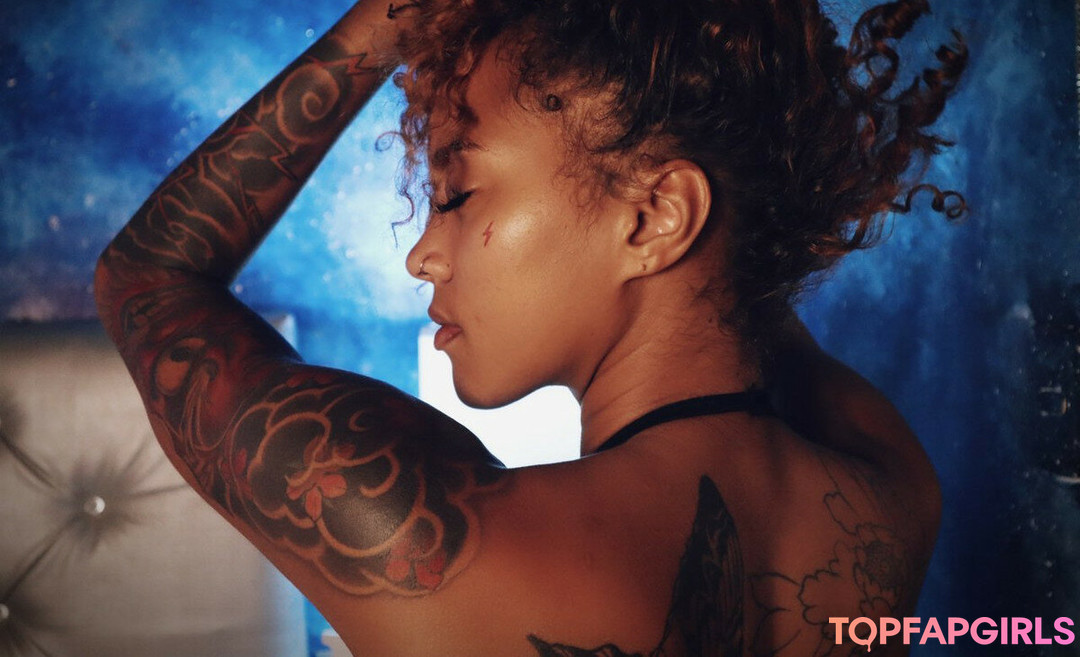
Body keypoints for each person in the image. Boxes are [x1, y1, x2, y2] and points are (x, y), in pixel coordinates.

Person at [95, 0, 966, 654]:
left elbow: (147, 278)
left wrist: (383, 22)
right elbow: (744, 294)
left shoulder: (431, 537)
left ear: (655, 216)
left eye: (457, 193)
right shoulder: (893, 490)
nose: (422, 256)